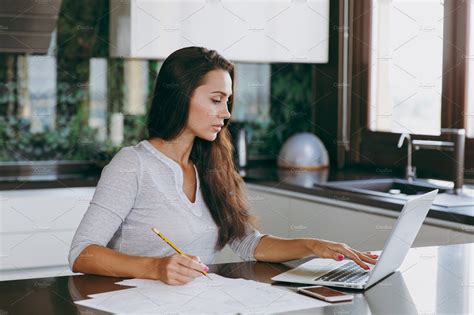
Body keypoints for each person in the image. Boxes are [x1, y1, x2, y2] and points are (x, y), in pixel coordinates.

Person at [69, 46, 378, 286]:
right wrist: (155, 267)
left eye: (228, 100)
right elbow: (82, 253)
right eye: (216, 99)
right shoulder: (133, 165)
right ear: (180, 97)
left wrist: (312, 245)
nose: (227, 113)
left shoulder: (211, 164)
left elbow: (247, 243)